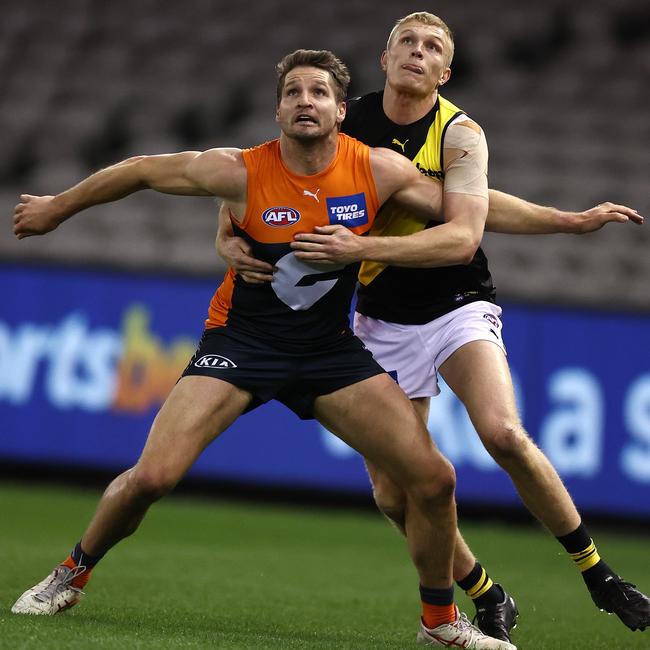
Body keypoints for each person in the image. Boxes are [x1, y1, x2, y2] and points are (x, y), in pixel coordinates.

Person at [10, 49, 517, 650]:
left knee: (434, 480)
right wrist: (56, 207)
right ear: (277, 109)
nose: (306, 100)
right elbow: (142, 168)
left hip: (329, 353)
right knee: (152, 477)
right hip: (243, 344)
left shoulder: (378, 170)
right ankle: (71, 572)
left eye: (319, 92)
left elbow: (473, 207)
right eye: (294, 91)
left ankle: (439, 625)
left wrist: (563, 220)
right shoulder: (241, 171)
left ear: (339, 110)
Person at [216, 13, 649, 644]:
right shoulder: (345, 119)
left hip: (456, 301)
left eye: (433, 49)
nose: (417, 54)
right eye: (407, 44)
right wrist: (225, 240)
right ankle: (485, 591)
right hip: (377, 317)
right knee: (396, 496)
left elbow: (466, 224)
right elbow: (256, 181)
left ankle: (599, 576)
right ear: (384, 57)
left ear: (444, 73)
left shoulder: (459, 134)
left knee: (503, 434)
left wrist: (564, 220)